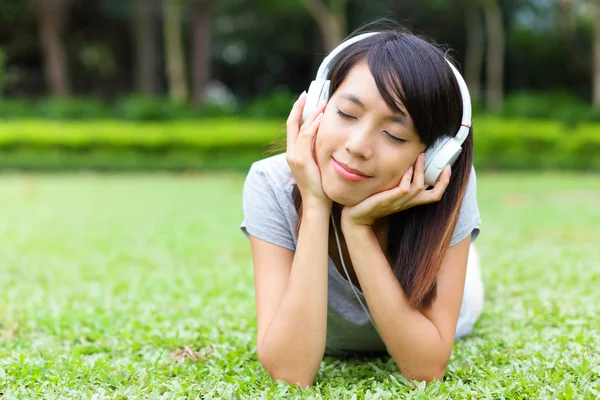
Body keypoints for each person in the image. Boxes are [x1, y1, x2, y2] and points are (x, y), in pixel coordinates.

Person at [239, 20, 484, 388]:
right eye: (347, 114)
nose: (357, 145)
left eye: (394, 134)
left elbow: (425, 369)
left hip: (453, 304)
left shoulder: (445, 188)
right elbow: (291, 373)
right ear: (316, 106)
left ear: (433, 156)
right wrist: (317, 203)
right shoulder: (271, 182)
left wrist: (357, 228)